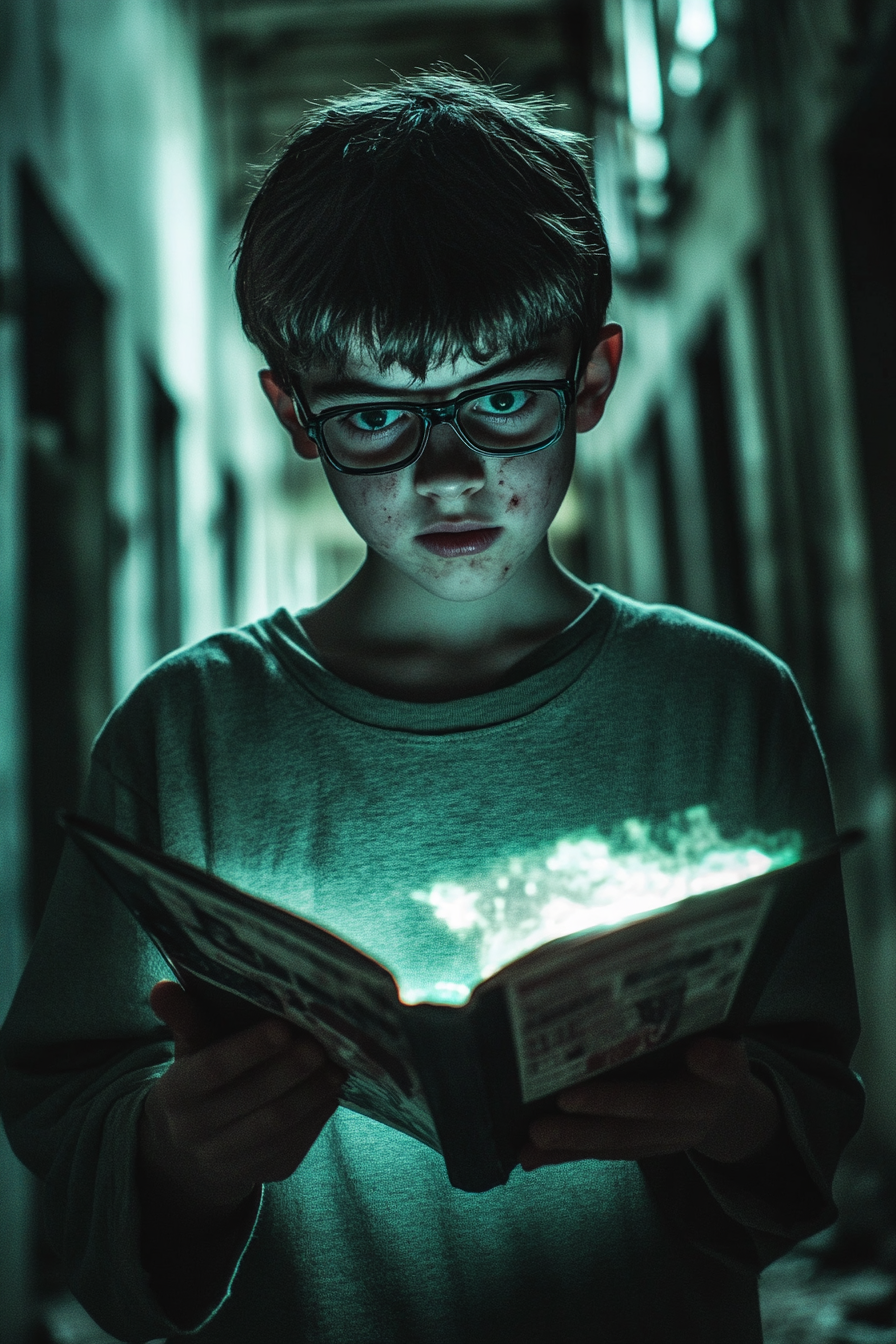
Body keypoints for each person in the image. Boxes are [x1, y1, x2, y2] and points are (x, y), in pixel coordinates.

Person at [0, 73, 863, 1344]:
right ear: (293, 413)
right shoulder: (181, 737)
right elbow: (66, 1111)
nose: (446, 472)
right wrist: (179, 1151)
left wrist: (727, 1117)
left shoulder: (724, 705)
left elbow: (806, 1109)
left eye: (500, 397)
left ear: (589, 377)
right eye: (375, 417)